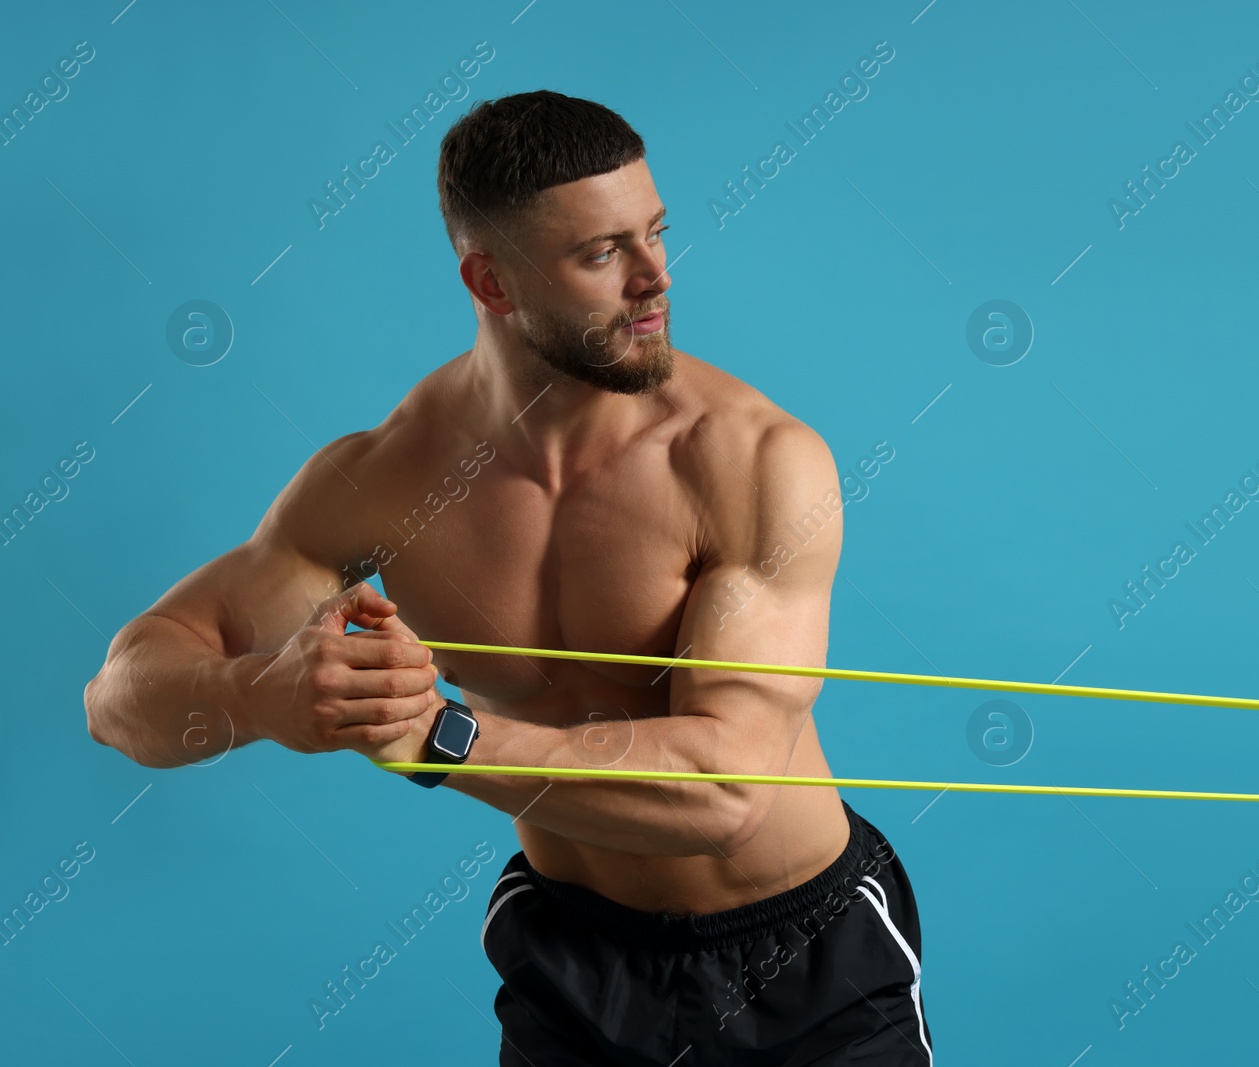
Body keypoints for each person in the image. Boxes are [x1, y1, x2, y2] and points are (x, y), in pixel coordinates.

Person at [83, 90, 933, 1066]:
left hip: (802, 959)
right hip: (574, 965)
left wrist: (439, 737)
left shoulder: (745, 460)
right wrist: (262, 695)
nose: (656, 278)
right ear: (491, 281)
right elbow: (119, 701)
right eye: (602, 252)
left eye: (654, 233)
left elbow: (723, 791)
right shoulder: (384, 480)